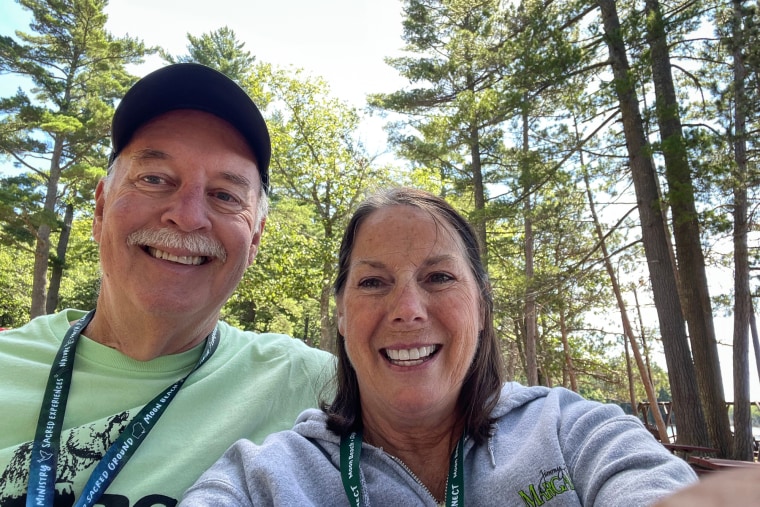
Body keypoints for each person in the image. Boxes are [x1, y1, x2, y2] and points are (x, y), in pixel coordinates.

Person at [180, 187, 699, 507]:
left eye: (438, 277)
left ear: (480, 305)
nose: (408, 309)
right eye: (373, 283)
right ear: (340, 314)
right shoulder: (265, 477)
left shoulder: (575, 432)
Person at [0, 63, 334, 507]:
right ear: (100, 209)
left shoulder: (314, 387)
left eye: (225, 195)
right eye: (155, 179)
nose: (188, 215)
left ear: (254, 240)